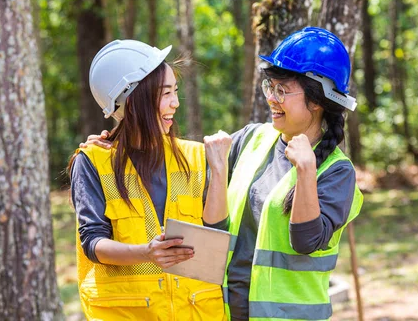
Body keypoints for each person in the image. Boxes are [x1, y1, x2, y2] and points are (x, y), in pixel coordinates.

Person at [84, 27, 363, 321]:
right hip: (228, 312)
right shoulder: (253, 139)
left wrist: (306, 171)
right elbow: (187, 173)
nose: (272, 98)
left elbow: (306, 242)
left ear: (317, 100)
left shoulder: (336, 171)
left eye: (283, 90)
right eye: (271, 87)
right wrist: (118, 142)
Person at [68, 39, 228, 320]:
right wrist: (146, 253)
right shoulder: (93, 161)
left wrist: (219, 170)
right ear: (132, 99)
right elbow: (93, 242)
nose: (175, 103)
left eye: (175, 92)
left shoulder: (194, 155)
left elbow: (215, 228)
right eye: (165, 94)